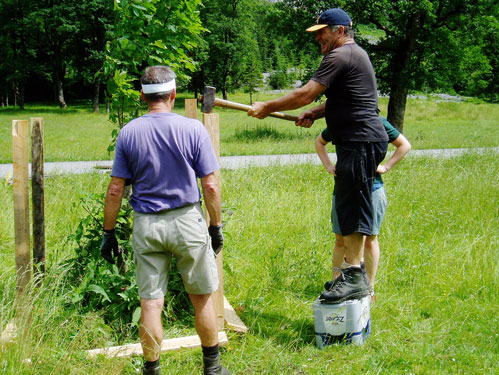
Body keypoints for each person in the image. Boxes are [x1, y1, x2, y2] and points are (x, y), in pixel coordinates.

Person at [248, 8, 388, 303]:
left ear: (339, 31)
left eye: (321, 32)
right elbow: (345, 99)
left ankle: (353, 277)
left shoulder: (340, 56)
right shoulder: (352, 56)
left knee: (355, 210)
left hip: (361, 141)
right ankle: (351, 275)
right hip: (356, 142)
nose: (317, 38)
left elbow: (305, 93)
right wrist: (317, 112)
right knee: (348, 208)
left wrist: (268, 107)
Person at [100, 66, 229, 375]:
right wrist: (215, 226)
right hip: (187, 221)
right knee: (202, 299)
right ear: (173, 94)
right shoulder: (193, 129)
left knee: (151, 304)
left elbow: (117, 187)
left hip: (147, 225)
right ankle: (212, 369)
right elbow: (210, 185)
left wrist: (108, 232)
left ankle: (152, 370)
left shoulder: (129, 132)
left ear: (143, 96)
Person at [316, 118, 411, 302]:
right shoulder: (340, 121)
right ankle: (337, 284)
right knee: (340, 239)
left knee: (370, 239)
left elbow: (404, 145)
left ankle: (369, 287)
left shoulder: (379, 123)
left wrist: (386, 167)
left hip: (373, 189)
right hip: (343, 188)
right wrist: (328, 165)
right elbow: (319, 142)